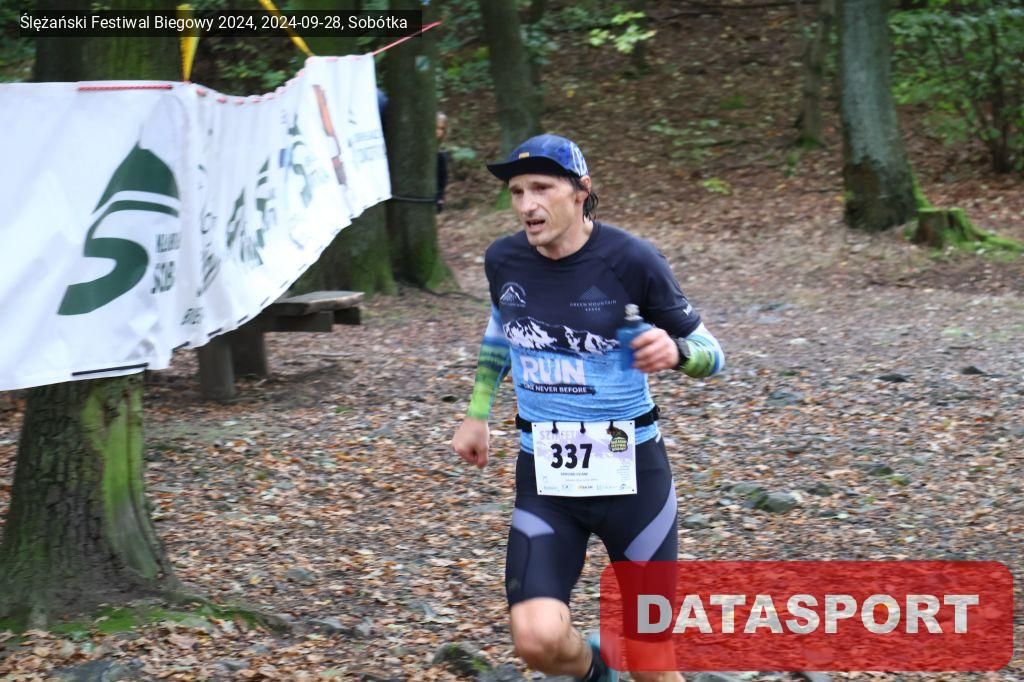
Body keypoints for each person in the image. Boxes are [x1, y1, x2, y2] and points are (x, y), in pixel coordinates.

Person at [451, 134, 725, 682]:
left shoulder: (631, 259)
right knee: (537, 640)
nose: (527, 205)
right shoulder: (503, 259)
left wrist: (676, 353)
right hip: (546, 478)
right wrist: (477, 412)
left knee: (651, 663)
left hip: (633, 477)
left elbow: (713, 354)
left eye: (542, 188)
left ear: (581, 192)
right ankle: (597, 672)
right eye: (517, 192)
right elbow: (501, 329)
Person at [436, 112, 450, 213]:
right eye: (436, 127)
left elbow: (442, 179)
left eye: (441, 129)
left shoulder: (441, 155)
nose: (438, 132)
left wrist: (440, 197)